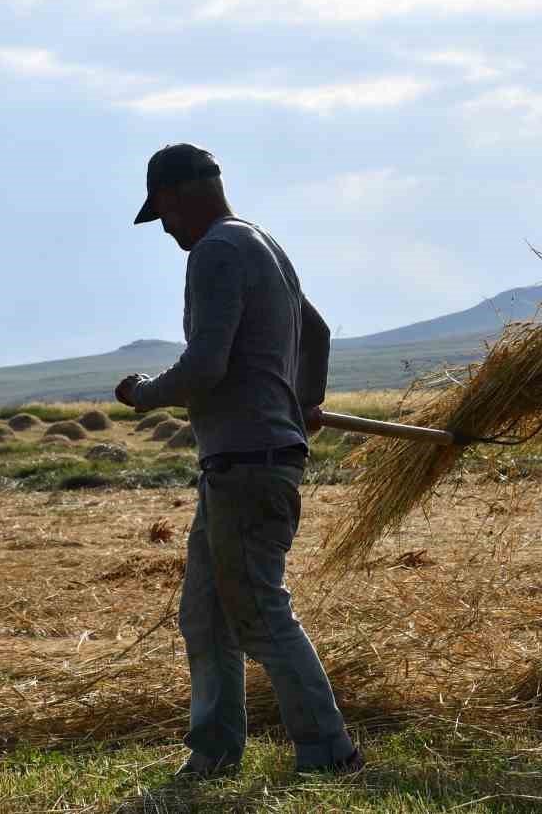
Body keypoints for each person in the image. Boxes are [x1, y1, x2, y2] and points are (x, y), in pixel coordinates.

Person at [114, 143, 362, 779]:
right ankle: (214, 753)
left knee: (257, 612)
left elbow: (205, 364)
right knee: (205, 613)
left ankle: (330, 753)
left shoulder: (217, 250)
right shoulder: (263, 245)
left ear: (175, 196)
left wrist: (142, 394)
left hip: (249, 462)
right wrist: (306, 400)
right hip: (239, 461)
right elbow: (320, 333)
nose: (165, 229)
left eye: (162, 214)